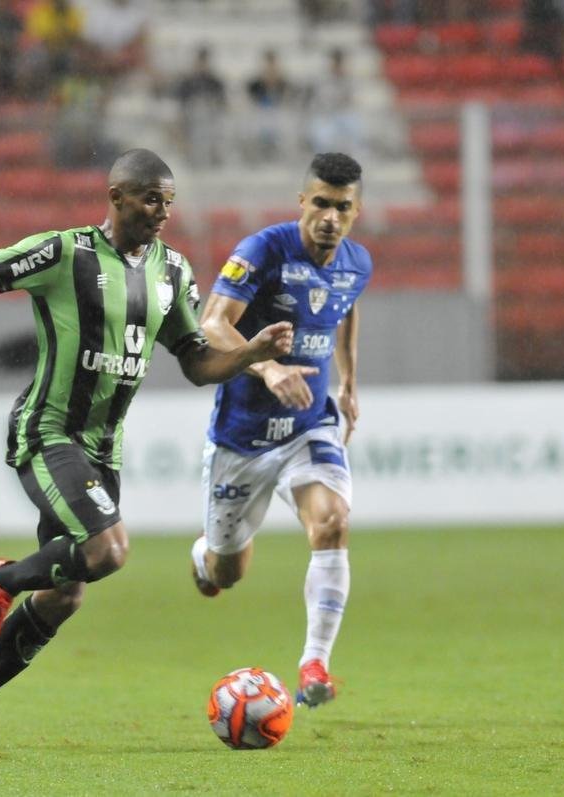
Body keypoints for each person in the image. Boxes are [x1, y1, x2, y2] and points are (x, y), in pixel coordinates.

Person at [0, 148, 296, 751]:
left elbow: (195, 361)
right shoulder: (65, 253)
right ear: (116, 197)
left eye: (168, 201)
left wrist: (250, 354)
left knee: (64, 596)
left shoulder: (174, 271)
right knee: (108, 551)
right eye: (150, 199)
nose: (162, 211)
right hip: (47, 431)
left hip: (102, 450)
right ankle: (1, 579)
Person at [188, 152, 372, 710]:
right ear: (302, 202)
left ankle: (315, 661)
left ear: (355, 211)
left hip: (309, 425)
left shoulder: (357, 263)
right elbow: (211, 323)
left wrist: (348, 383)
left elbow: (344, 309)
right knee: (226, 570)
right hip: (242, 437)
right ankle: (204, 557)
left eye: (342, 208)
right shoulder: (263, 251)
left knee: (332, 523)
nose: (329, 218)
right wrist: (266, 367)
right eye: (320, 203)